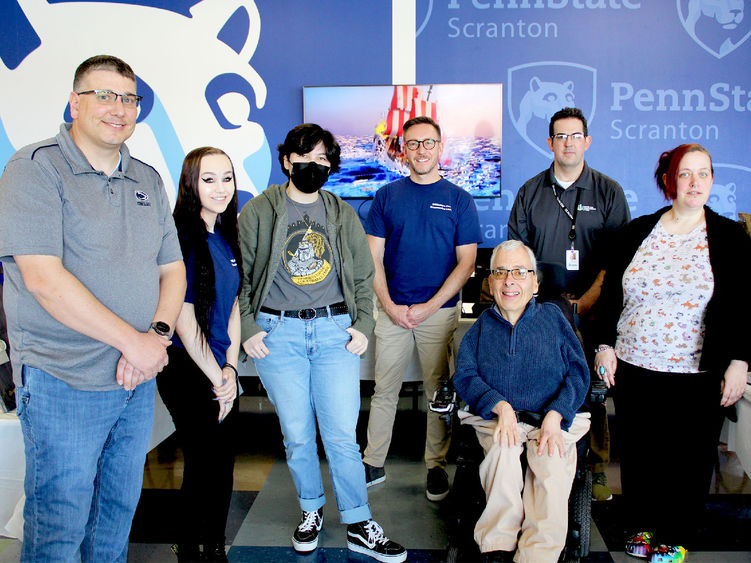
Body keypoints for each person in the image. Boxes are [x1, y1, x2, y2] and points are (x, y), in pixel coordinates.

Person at [0, 55, 185, 561]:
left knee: (114, 517)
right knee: (59, 519)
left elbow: (172, 270)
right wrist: (137, 344)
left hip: (134, 379)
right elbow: (43, 278)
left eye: (129, 98)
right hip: (64, 377)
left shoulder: (146, 177)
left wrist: (157, 335)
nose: (118, 109)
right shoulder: (34, 168)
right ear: (74, 101)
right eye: (103, 95)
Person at [238, 123, 407, 562]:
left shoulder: (342, 213)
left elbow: (362, 276)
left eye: (322, 159)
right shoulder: (259, 211)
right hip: (280, 334)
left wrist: (363, 325)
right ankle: (310, 509)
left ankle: (358, 520)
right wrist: (249, 326)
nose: (313, 166)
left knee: (341, 437)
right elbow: (243, 277)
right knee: (296, 434)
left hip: (334, 332)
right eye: (304, 157)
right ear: (286, 161)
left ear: (330, 165)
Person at [593, 143, 751, 562]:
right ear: (669, 180)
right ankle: (642, 527)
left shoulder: (730, 237)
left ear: (712, 180)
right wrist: (605, 346)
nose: (695, 183)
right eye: (686, 174)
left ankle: (677, 534)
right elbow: (612, 297)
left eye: (704, 174)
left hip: (698, 370)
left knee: (689, 457)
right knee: (643, 454)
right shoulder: (636, 231)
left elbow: (744, 305)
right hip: (634, 364)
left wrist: (740, 361)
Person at [508, 106, 630, 502]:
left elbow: (619, 257)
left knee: (593, 388)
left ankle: (595, 468)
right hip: (543, 311)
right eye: (560, 136)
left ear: (587, 141)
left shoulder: (608, 191)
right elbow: (517, 255)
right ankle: (544, 457)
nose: (568, 143)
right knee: (548, 383)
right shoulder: (530, 192)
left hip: (597, 310)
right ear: (550, 143)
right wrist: (544, 297)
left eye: (575, 136)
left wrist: (592, 295)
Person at [362, 115, 482, 501]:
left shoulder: (459, 199)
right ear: (403, 150)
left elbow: (466, 264)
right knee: (384, 391)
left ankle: (435, 467)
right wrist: (390, 306)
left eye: (428, 143)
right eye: (413, 144)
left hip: (440, 313)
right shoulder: (386, 196)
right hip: (392, 310)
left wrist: (429, 307)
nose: (421, 150)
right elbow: (372, 259)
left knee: (438, 394)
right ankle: (373, 461)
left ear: (440, 147)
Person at [453, 240, 590, 562]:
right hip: (497, 418)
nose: (509, 281)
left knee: (551, 465)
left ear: (535, 282)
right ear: (490, 283)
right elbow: (466, 377)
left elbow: (578, 373)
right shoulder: (479, 328)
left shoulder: (555, 319)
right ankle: (497, 548)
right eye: (500, 273)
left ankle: (537, 555)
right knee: (502, 453)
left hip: (552, 417)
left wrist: (557, 415)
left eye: (519, 272)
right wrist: (501, 408)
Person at [156, 147, 242, 562]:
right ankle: (190, 551)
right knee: (203, 465)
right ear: (190, 183)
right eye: (209, 179)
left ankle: (215, 547)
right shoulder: (181, 238)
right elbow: (183, 320)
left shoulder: (225, 235)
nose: (221, 187)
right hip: (187, 369)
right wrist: (217, 377)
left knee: (221, 467)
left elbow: (234, 308)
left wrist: (231, 368)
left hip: (218, 370)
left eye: (227, 178)